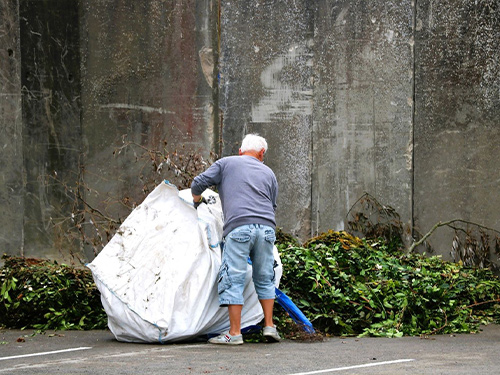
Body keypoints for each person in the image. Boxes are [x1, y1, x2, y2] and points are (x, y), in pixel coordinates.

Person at [191, 133, 280, 345]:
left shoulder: (226, 163)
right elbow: (273, 205)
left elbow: (198, 183)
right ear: (262, 154)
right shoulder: (269, 173)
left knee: (234, 277)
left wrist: (197, 201)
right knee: (265, 277)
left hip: (239, 227)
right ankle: (269, 327)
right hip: (267, 229)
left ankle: (234, 333)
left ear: (240, 151)